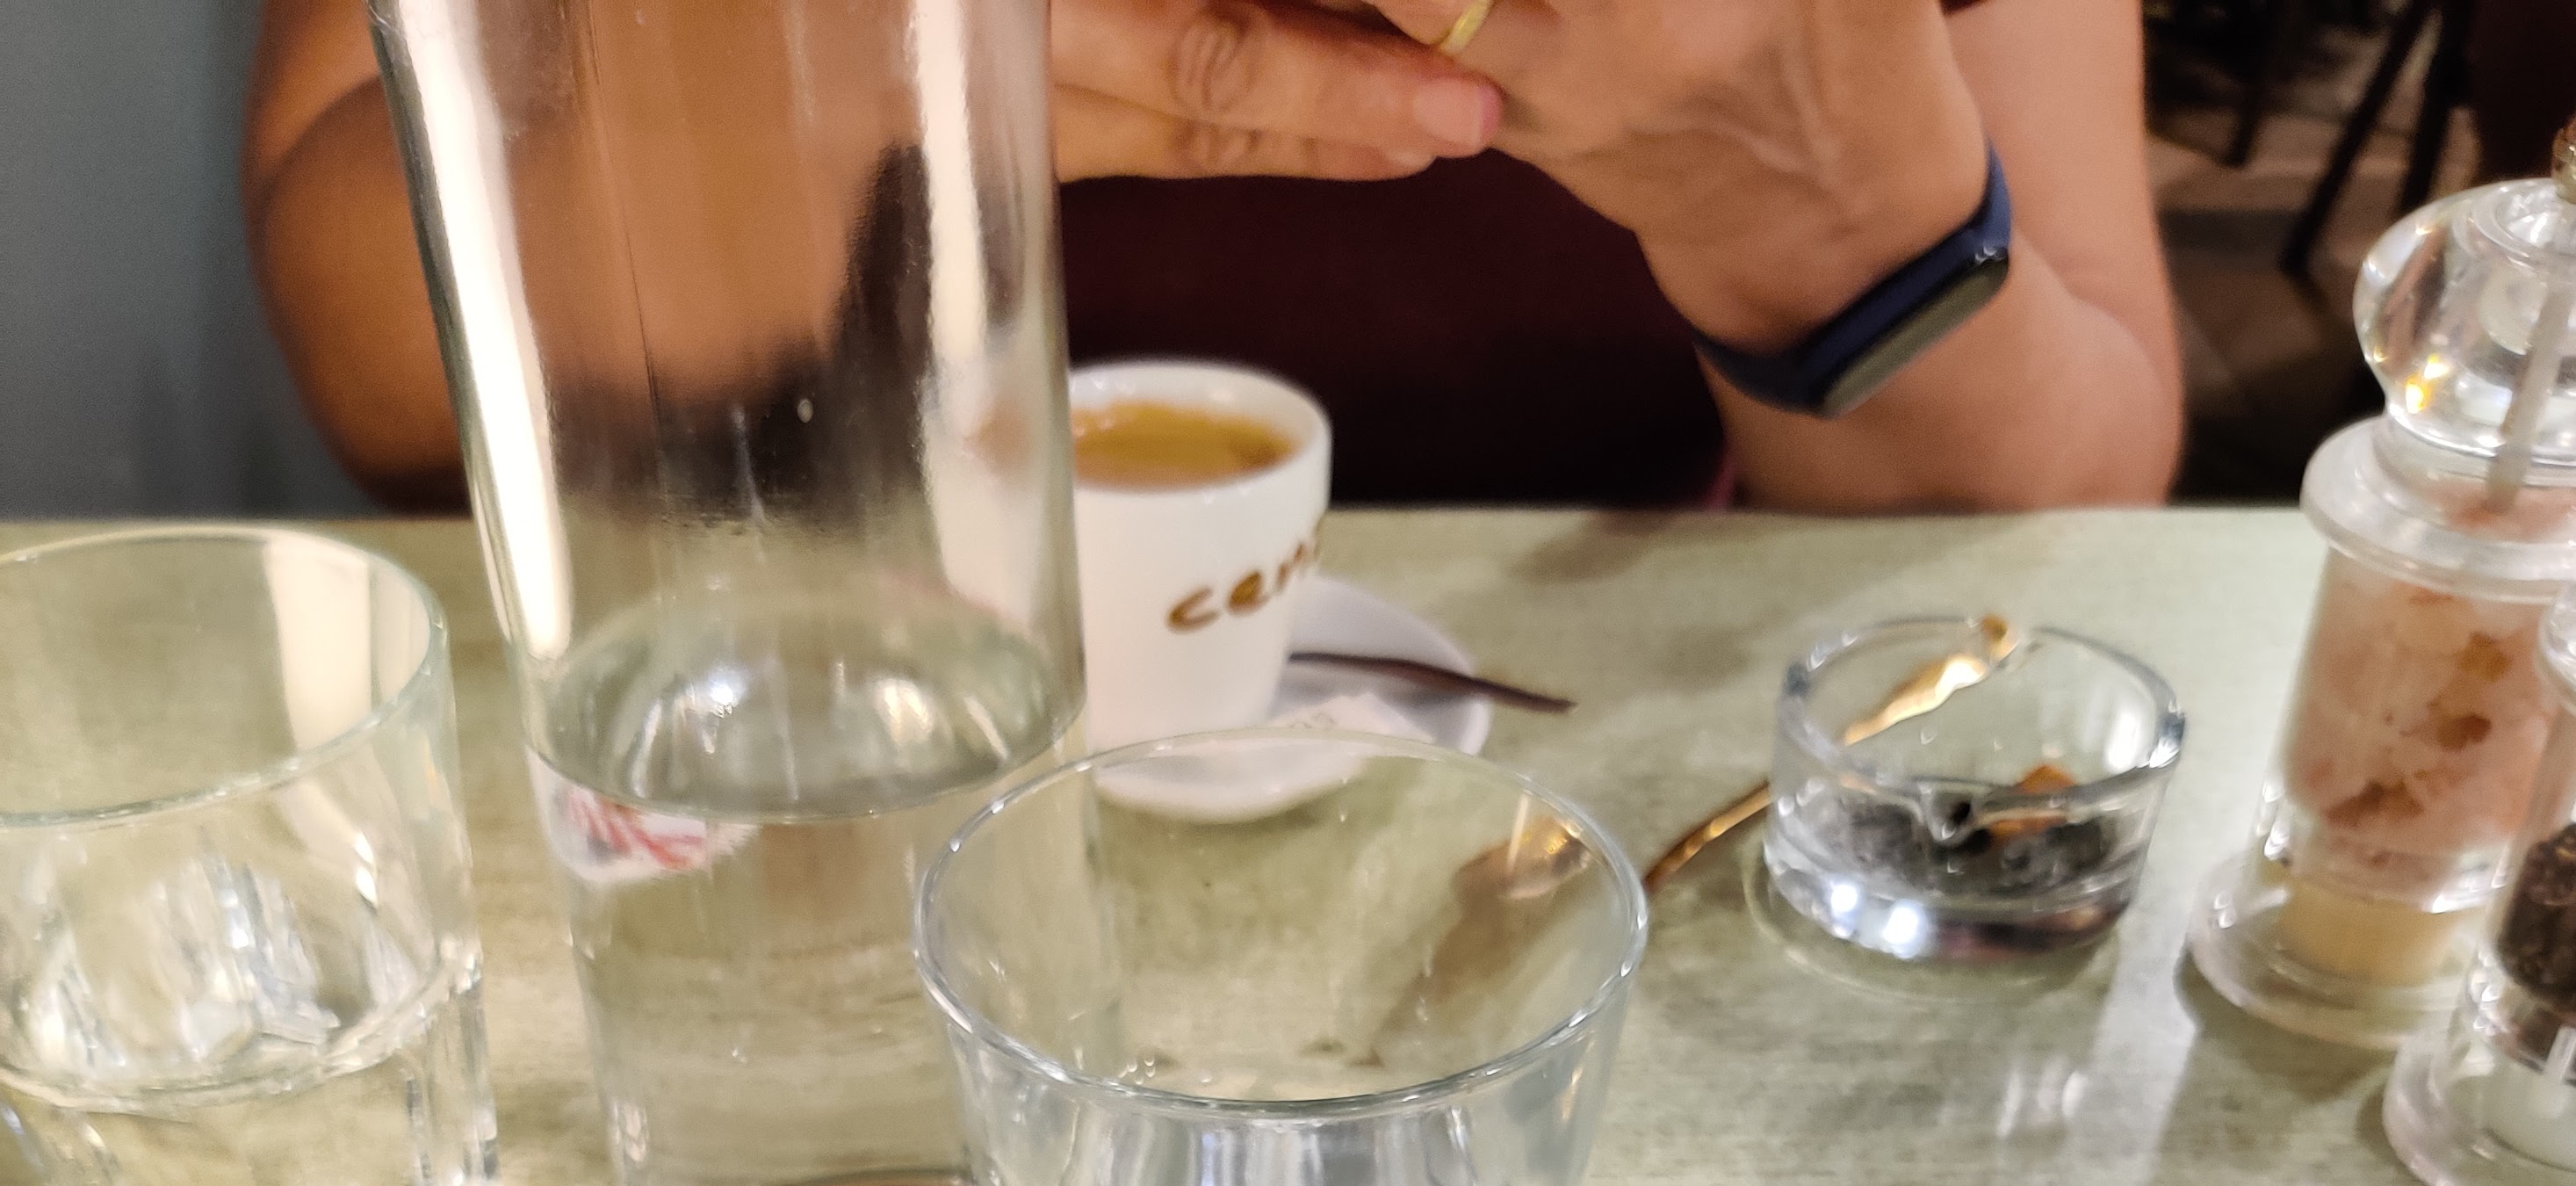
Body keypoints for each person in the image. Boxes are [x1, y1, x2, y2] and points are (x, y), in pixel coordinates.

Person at [245, 0, 2177, 513]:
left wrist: (1833, 213)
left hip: (1637, 831)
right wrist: (753, 84)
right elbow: (380, 377)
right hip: (810, 783)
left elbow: (2073, 503)